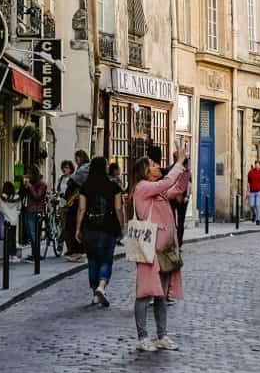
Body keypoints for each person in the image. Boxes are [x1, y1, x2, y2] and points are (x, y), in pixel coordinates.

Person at [130, 150, 190, 352]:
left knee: (161, 295)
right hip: (149, 251)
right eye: (153, 165)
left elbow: (178, 187)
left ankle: (162, 335)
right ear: (145, 171)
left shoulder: (158, 192)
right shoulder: (143, 188)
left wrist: (183, 165)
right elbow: (166, 183)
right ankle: (142, 337)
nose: (157, 167)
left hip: (164, 251)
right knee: (144, 294)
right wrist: (178, 163)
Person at [76, 156, 122, 307]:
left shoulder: (85, 186)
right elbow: (118, 208)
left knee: (93, 260)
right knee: (106, 259)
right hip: (108, 226)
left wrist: (78, 228)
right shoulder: (113, 186)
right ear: (104, 168)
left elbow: (81, 209)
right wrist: (121, 225)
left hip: (89, 227)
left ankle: (94, 293)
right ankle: (101, 286)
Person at [150, 145, 189, 246]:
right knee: (177, 222)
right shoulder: (183, 170)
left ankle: (175, 241)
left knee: (173, 222)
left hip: (171, 198)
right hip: (175, 198)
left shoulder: (169, 169)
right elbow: (183, 185)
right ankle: (176, 242)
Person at [59, 161, 85, 262]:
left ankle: (73, 250)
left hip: (71, 206)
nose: (65, 169)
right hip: (64, 204)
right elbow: (61, 191)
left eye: (67, 167)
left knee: (69, 227)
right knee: (65, 227)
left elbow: (75, 192)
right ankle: (70, 249)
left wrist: (70, 201)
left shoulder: (74, 179)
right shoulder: (61, 178)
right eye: (64, 167)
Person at [22, 165, 49, 260]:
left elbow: (37, 196)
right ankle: (34, 254)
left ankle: (36, 255)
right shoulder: (31, 183)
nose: (28, 175)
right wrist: (25, 186)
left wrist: (30, 187)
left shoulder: (42, 184)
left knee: (34, 233)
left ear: (34, 173)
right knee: (30, 233)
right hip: (28, 210)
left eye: (29, 173)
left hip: (35, 211)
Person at [0, 182, 23, 263]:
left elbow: (1, 208)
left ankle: (6, 255)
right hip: (14, 220)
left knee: (7, 239)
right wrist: (15, 214)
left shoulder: (2, 197)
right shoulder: (17, 197)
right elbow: (19, 207)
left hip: (6, 220)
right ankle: (13, 255)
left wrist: (6, 215)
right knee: (13, 238)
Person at [246, 160, 260, 225]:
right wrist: (247, 191)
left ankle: (258, 219)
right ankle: (254, 214)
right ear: (254, 165)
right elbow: (248, 183)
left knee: (257, 205)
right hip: (252, 192)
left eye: (258, 165)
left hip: (259, 191)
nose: (257, 166)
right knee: (252, 205)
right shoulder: (250, 172)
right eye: (256, 164)